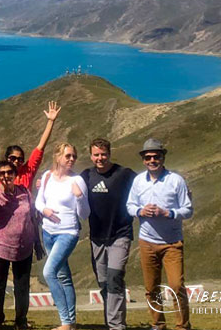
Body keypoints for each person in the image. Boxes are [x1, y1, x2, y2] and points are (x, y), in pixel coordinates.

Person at [126, 138, 193, 330]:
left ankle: (182, 325)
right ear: (143, 160)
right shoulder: (138, 181)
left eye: (156, 156)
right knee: (151, 288)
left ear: (163, 158)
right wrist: (140, 211)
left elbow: (188, 210)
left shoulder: (176, 180)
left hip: (172, 243)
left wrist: (168, 213)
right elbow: (129, 205)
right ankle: (158, 324)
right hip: (147, 242)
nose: (152, 160)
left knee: (176, 286)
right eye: (148, 157)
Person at [0, 153, 38, 330]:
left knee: (22, 286)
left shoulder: (24, 192)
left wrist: (38, 240)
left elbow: (33, 214)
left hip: (24, 247)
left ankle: (21, 320)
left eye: (9, 172)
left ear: (15, 174)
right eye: (1, 173)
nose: (6, 176)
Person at [80, 138, 136, 330]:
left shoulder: (124, 174)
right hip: (97, 238)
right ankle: (111, 320)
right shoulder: (86, 176)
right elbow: (66, 187)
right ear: (91, 155)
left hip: (120, 235)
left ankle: (116, 326)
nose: (100, 158)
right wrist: (42, 183)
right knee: (104, 283)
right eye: (96, 154)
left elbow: (145, 187)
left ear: (109, 154)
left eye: (103, 154)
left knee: (114, 278)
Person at [35, 143, 90, 330]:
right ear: (57, 157)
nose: (72, 159)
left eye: (73, 156)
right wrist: (45, 210)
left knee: (48, 272)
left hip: (67, 233)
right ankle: (71, 323)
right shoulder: (47, 176)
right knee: (63, 276)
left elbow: (84, 214)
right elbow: (38, 201)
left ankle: (65, 322)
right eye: (68, 156)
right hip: (48, 232)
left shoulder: (77, 181)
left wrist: (80, 197)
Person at [0, 101, 61, 189]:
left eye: (20, 159)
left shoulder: (27, 171)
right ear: (7, 158)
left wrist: (51, 121)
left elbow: (41, 147)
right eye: (13, 158)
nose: (16, 161)